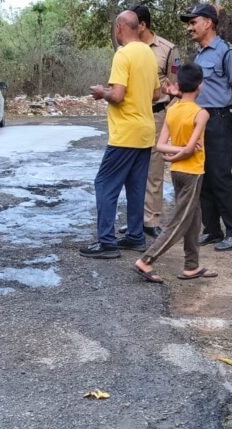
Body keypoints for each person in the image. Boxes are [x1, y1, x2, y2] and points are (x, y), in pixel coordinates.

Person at [78, 11, 161, 259]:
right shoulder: (148, 53)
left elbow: (117, 95)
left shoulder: (123, 54)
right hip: (146, 132)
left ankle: (107, 242)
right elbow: (156, 95)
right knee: (136, 188)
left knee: (104, 184)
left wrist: (101, 92)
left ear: (119, 28)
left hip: (126, 133)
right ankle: (136, 236)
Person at [133, 63, 218, 283]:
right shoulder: (202, 113)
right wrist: (181, 153)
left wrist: (173, 155)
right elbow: (190, 148)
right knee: (180, 221)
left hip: (177, 172)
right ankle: (146, 260)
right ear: (200, 86)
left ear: (179, 85)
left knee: (193, 217)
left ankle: (192, 266)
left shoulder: (172, 110)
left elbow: (161, 145)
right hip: (192, 172)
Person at [181, 4, 232, 252]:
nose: (190, 27)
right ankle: (211, 229)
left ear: (208, 22)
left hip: (217, 120)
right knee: (204, 176)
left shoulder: (227, 53)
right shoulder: (200, 55)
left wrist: (223, 106)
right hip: (200, 120)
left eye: (193, 22)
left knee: (220, 176)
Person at [118, 4, 176, 239]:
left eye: (132, 22)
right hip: (130, 116)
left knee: (153, 169)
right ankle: (134, 220)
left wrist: (169, 117)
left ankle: (150, 220)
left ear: (142, 25)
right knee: (131, 169)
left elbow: (174, 84)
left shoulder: (167, 49)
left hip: (156, 113)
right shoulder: (125, 48)